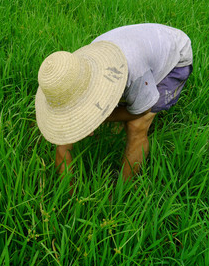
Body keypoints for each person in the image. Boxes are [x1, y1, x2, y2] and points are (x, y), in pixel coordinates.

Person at [35, 23, 193, 182]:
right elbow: (63, 146)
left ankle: (122, 190)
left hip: (175, 56)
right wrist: (67, 193)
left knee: (136, 125)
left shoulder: (133, 73)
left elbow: (144, 110)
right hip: (141, 48)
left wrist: (99, 118)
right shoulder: (75, 74)